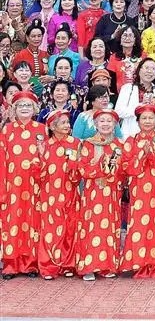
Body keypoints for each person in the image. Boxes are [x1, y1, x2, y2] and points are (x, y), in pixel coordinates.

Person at [118, 104, 155, 278]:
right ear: (138, 121)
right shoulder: (131, 141)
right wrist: (142, 155)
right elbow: (126, 167)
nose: (147, 121)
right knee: (139, 224)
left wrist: (153, 156)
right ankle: (137, 262)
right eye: (144, 118)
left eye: (151, 118)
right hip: (138, 190)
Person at [72, 108, 124, 281]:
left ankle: (108, 265)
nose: (106, 124)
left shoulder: (119, 145)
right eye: (102, 121)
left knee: (110, 227)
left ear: (115, 125)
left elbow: (123, 170)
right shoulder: (87, 144)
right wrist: (101, 166)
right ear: (95, 124)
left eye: (109, 121)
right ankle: (89, 266)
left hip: (112, 193)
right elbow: (82, 169)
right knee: (91, 227)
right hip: (92, 193)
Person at [0, 91, 46, 279]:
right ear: (14, 109)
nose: (24, 109)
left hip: (34, 185)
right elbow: (2, 158)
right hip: (12, 186)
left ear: (34, 108)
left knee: (32, 222)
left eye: (28, 105)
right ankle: (11, 264)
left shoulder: (41, 129)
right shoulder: (7, 130)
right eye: (20, 106)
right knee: (12, 222)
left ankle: (30, 264)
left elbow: (46, 157)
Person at [39, 109, 80, 279]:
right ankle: (49, 266)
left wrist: (73, 167)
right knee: (51, 228)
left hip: (71, 191)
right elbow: (40, 173)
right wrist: (40, 156)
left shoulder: (76, 143)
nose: (67, 126)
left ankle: (68, 264)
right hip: (51, 194)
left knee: (71, 227)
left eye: (67, 123)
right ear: (53, 126)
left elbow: (79, 172)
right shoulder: (46, 146)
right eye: (62, 123)